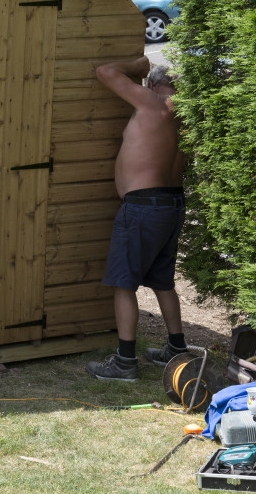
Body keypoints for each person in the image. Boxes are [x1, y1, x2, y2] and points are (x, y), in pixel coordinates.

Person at [86, 56, 186, 382]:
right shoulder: (183, 113)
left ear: (153, 84)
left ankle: (125, 362)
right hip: (172, 204)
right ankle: (176, 348)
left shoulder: (152, 100)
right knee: (162, 280)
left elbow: (104, 71)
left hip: (143, 206)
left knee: (123, 282)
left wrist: (137, 64)